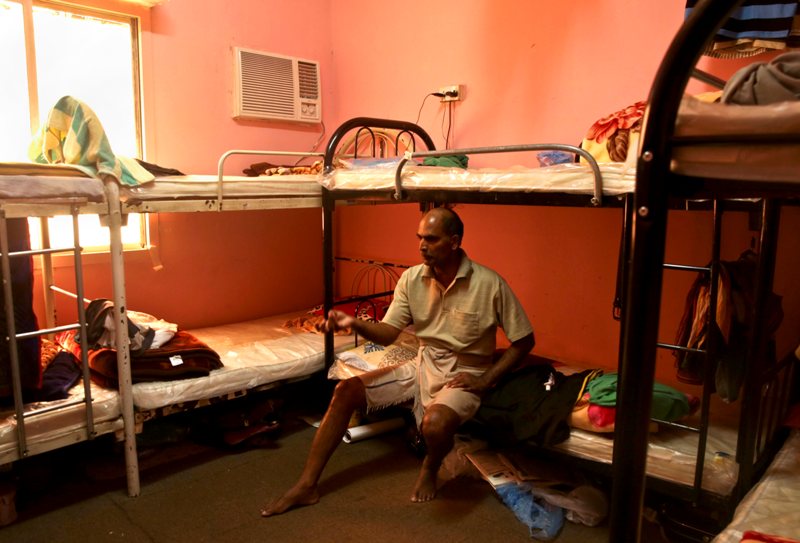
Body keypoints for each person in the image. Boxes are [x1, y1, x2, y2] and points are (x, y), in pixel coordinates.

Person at [261, 206, 534, 517]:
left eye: (431, 239)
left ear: (454, 241)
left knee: (436, 422)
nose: (421, 245)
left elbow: (524, 341)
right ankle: (307, 485)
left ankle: (430, 467)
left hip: (464, 371)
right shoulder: (412, 279)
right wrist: (353, 323)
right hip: (423, 360)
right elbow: (389, 334)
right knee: (345, 390)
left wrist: (486, 379)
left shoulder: (489, 284)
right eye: (419, 238)